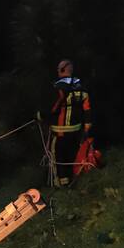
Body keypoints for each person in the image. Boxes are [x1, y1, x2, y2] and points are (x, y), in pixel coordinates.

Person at [46, 59, 92, 188]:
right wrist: (87, 127)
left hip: (60, 131)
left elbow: (53, 108)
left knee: (58, 158)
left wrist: (42, 116)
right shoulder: (81, 87)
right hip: (76, 131)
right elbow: (87, 109)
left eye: (59, 68)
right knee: (72, 156)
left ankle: (60, 185)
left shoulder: (59, 87)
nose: (57, 71)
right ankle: (73, 181)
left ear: (63, 69)